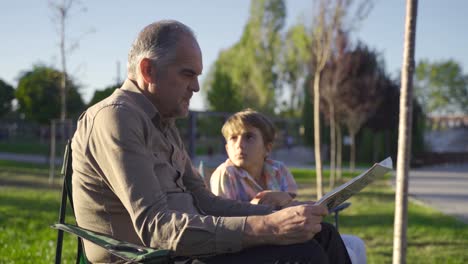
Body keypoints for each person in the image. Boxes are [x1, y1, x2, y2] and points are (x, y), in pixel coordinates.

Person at [71, 20, 351, 263]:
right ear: (148, 71)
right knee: (304, 255)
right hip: (149, 258)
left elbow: (204, 200)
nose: (196, 87)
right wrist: (267, 226)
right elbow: (156, 228)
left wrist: (279, 213)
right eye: (187, 74)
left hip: (187, 251)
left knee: (323, 235)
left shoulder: (164, 124)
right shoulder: (117, 119)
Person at [210, 108, 366, 263]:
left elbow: (290, 203)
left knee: (328, 232)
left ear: (267, 148)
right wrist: (258, 206)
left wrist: (298, 203)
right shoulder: (226, 174)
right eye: (233, 138)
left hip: (281, 232)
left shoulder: (277, 170)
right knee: (311, 248)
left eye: (249, 137)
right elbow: (226, 223)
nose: (239, 145)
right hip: (252, 241)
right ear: (227, 148)